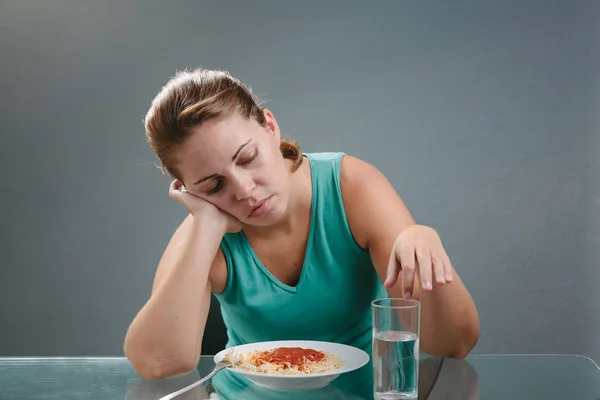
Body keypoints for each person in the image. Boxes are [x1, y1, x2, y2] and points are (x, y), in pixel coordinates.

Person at [123, 68, 480, 381]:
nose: (245, 190)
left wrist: (426, 244)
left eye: (248, 158)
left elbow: (454, 343)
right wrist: (205, 226)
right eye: (214, 185)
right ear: (188, 190)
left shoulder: (351, 188)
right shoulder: (204, 232)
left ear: (271, 127)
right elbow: (159, 364)